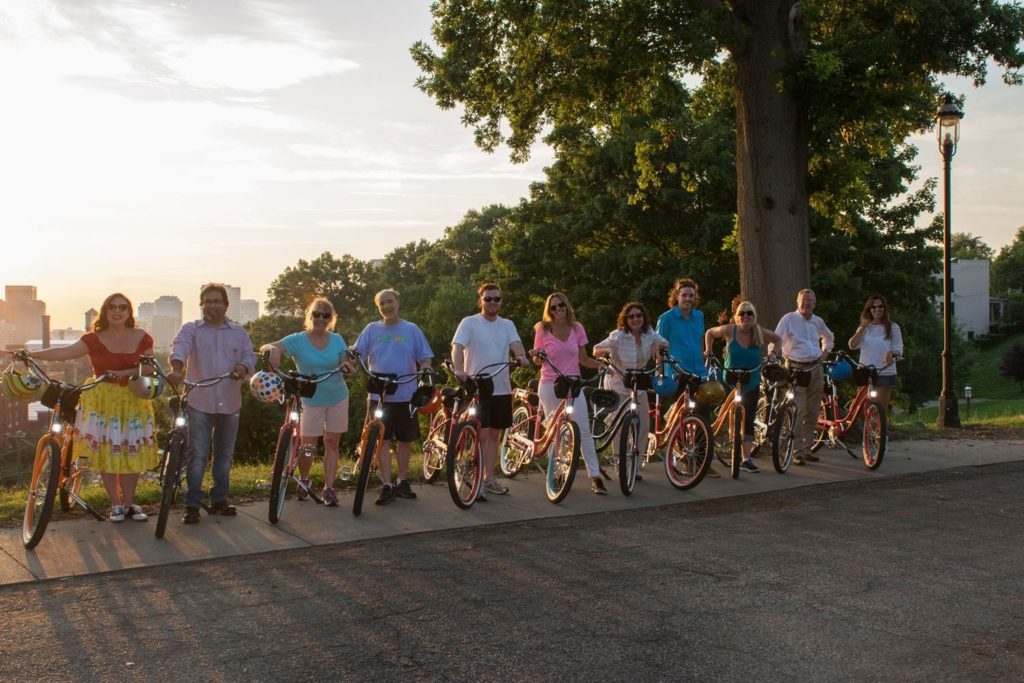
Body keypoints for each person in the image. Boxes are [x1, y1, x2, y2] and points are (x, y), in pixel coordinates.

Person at [27, 293, 158, 521]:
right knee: (108, 450)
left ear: (129, 312)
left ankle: (130, 504)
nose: (117, 311)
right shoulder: (94, 338)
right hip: (102, 399)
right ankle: (116, 505)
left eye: (122, 307)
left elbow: (149, 368)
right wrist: (31, 355)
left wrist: (125, 373)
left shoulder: (142, 337)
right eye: (112, 307)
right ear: (105, 312)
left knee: (130, 452)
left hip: (133, 399)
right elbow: (63, 352)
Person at [168, 283, 256, 524]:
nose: (212, 305)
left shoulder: (239, 332)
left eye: (217, 301)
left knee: (224, 455)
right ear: (201, 304)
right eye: (207, 301)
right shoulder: (191, 329)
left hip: (230, 401)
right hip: (199, 400)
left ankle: (219, 499)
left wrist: (242, 367)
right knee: (197, 455)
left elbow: (250, 357)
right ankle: (192, 504)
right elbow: (179, 348)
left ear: (226, 305)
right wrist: (177, 368)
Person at [260, 298, 351, 507]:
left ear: (331, 318)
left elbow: (344, 361)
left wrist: (347, 366)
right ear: (309, 316)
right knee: (308, 444)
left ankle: (329, 488)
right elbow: (268, 345)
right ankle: (304, 479)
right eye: (316, 314)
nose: (321, 318)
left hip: (337, 396)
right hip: (310, 398)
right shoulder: (298, 339)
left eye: (326, 315)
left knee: (331, 443)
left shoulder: (337, 339)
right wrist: (272, 350)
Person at [354, 289, 433, 506]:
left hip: (407, 394)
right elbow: (356, 353)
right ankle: (387, 484)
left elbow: (425, 357)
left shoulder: (411, 329)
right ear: (378, 307)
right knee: (382, 440)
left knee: (405, 440)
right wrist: (348, 360)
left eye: (390, 302)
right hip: (378, 395)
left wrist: (426, 369)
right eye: (382, 303)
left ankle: (402, 481)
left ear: (398, 303)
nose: (387, 306)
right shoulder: (371, 329)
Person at [451, 283, 529, 500]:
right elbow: (457, 347)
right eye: (488, 299)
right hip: (478, 386)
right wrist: (459, 369)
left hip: (502, 387)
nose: (493, 303)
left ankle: (488, 478)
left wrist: (521, 357)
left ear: (501, 301)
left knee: (495, 434)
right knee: (482, 434)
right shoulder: (469, 322)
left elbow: (517, 345)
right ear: (480, 301)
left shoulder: (507, 324)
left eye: (496, 299)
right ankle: (475, 479)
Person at [531, 292, 606, 493]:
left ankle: (596, 476)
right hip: (550, 383)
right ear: (549, 310)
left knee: (583, 429)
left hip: (573, 384)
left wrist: (600, 365)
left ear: (567, 306)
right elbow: (537, 359)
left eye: (561, 305)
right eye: (553, 307)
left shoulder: (577, 328)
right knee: (555, 430)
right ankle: (555, 474)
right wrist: (538, 355)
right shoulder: (543, 329)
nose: (558, 310)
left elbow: (583, 359)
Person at [592, 302, 666, 481]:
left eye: (638, 315)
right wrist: (609, 350)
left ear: (643, 317)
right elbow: (595, 350)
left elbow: (663, 343)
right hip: (618, 382)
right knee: (619, 428)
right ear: (626, 319)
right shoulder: (618, 335)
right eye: (631, 316)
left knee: (643, 426)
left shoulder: (649, 333)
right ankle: (621, 466)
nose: (635, 319)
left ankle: (636, 467)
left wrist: (660, 346)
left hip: (638, 384)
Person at [705, 301, 781, 473]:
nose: (745, 317)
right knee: (718, 410)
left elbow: (778, 339)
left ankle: (746, 458)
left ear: (754, 317)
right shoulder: (729, 330)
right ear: (736, 316)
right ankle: (708, 441)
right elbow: (710, 333)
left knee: (748, 418)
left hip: (751, 380)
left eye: (749, 314)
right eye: (742, 313)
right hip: (730, 379)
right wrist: (708, 350)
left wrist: (773, 354)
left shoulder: (759, 333)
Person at [655, 277, 718, 476]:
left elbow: (700, 341)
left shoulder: (699, 316)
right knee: (681, 414)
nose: (688, 299)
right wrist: (660, 370)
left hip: (698, 370)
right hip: (676, 372)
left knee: (702, 414)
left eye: (691, 295)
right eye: (684, 295)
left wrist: (704, 360)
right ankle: (683, 455)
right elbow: (658, 346)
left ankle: (700, 459)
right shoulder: (667, 318)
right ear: (677, 296)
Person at [771, 288, 834, 466]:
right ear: (797, 302)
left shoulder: (817, 321)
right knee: (798, 409)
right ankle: (796, 450)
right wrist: (772, 354)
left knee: (813, 411)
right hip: (795, 368)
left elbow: (828, 337)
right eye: (803, 300)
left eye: (810, 301)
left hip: (815, 368)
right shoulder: (789, 319)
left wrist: (825, 353)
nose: (806, 303)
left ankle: (807, 449)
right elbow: (777, 339)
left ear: (814, 303)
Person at [848, 294, 903, 412]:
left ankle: (880, 431)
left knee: (880, 410)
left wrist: (891, 354)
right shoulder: (864, 328)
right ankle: (865, 430)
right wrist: (863, 327)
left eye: (880, 306)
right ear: (869, 310)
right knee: (862, 409)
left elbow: (899, 349)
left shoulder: (893, 327)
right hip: (865, 371)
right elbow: (852, 345)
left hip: (885, 371)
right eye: (873, 307)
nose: (877, 309)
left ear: (884, 308)